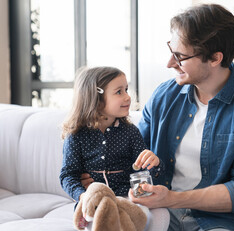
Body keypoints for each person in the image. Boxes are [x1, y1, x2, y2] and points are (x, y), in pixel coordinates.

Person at [127, 4, 234, 231]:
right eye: (172, 50)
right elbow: (133, 154)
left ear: (215, 58)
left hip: (225, 223)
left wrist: (172, 198)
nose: (170, 63)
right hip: (161, 212)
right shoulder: (164, 96)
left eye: (180, 56)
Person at [60, 66, 163, 203]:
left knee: (160, 214)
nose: (127, 97)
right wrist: (83, 196)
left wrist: (155, 165)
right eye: (119, 92)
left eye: (126, 90)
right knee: (100, 216)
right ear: (96, 98)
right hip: (94, 200)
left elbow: (143, 172)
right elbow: (68, 175)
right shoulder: (76, 135)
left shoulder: (130, 132)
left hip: (127, 199)